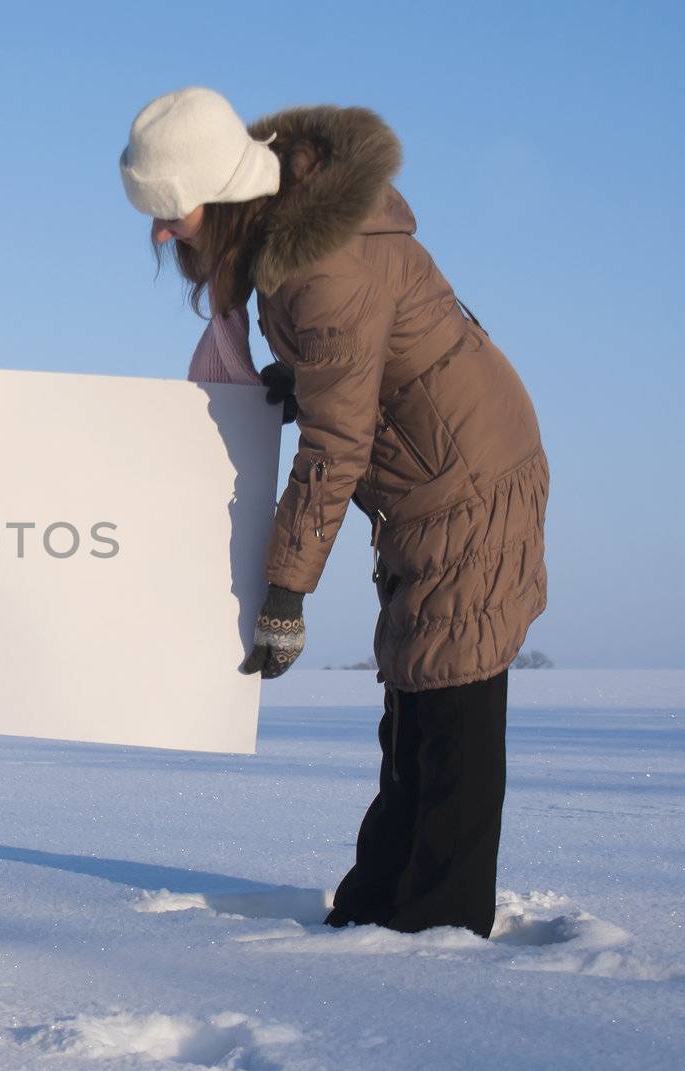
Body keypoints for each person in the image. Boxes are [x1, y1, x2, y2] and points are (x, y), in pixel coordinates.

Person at [120, 88, 548, 938]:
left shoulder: (320, 269)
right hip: (431, 476)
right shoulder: (288, 239)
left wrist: (284, 593)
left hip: (466, 480)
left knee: (452, 713)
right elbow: (353, 374)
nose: (165, 233)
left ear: (222, 189)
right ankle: (379, 902)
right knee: (417, 699)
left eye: (173, 211)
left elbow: (335, 450)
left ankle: (438, 931)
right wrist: (303, 379)